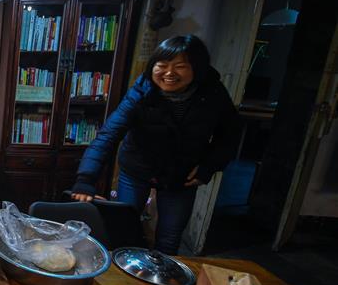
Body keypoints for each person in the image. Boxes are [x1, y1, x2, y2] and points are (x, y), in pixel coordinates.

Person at [71, 35, 240, 255]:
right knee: (123, 230)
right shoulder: (141, 92)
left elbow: (230, 135)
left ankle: (161, 282)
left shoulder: (213, 94)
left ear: (197, 68)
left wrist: (209, 166)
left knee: (169, 239)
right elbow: (108, 134)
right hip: (137, 168)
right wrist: (86, 178)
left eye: (180, 66)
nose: (169, 73)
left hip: (182, 175)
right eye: (162, 65)